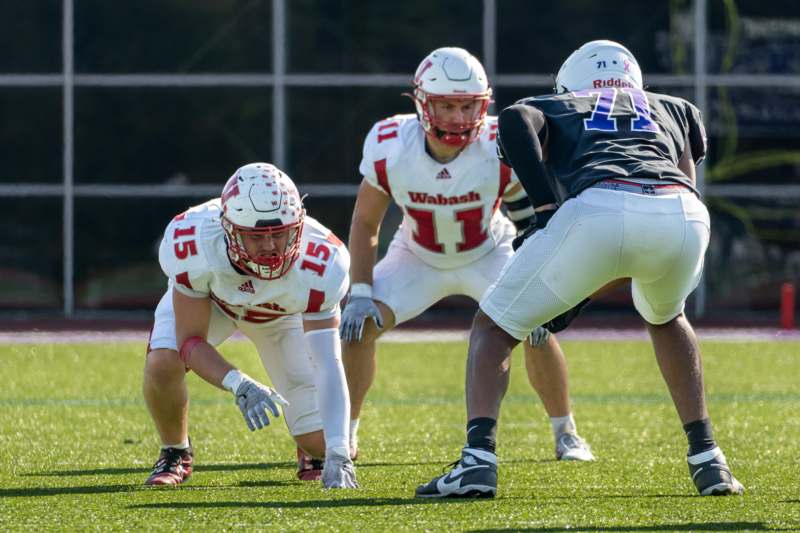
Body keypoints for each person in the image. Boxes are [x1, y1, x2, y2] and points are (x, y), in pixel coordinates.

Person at [416, 40, 744, 498]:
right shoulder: (677, 107)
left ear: (571, 83)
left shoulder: (560, 102)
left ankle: (477, 461)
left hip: (598, 207)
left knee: (493, 327)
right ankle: (710, 460)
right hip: (685, 215)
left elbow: (513, 121)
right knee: (668, 318)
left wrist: (545, 209)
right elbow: (672, 185)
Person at [340, 47, 593, 463]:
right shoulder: (389, 143)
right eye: (447, 105)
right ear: (422, 103)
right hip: (416, 255)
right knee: (358, 327)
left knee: (537, 326)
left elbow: (528, 213)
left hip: (488, 251)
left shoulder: (498, 142)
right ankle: (344, 432)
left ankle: (566, 432)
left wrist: (537, 275)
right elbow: (366, 223)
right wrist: (361, 290)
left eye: (467, 106)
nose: (458, 118)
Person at [143, 162, 358, 489]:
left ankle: (312, 449)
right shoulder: (196, 241)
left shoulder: (323, 259)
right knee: (163, 361)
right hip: (215, 303)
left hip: (282, 316)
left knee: (324, 444)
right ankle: (175, 451)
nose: (271, 246)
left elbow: (328, 361)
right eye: (256, 236)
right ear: (229, 229)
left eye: (280, 233)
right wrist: (238, 383)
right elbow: (190, 342)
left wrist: (340, 453)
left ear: (298, 226)